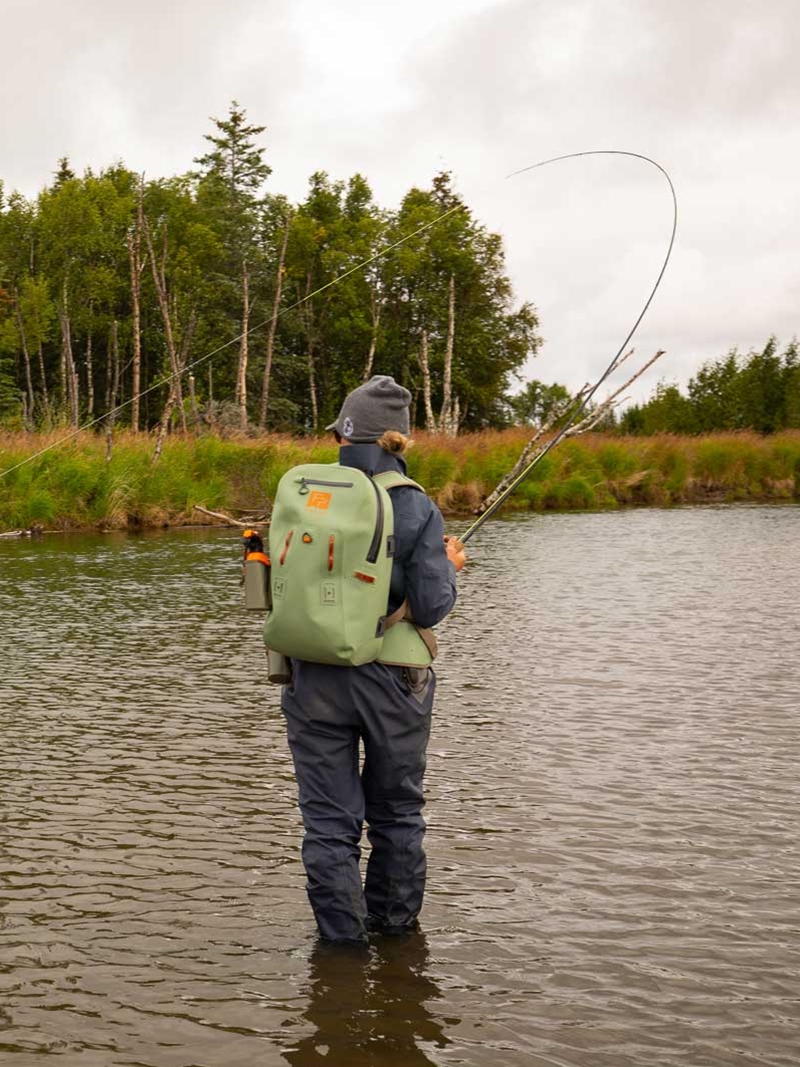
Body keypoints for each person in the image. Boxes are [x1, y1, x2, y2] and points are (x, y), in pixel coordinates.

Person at [281, 374, 466, 943]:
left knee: (329, 823)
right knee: (397, 814)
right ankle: (395, 941)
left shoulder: (305, 493)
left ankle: (341, 952)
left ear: (343, 433)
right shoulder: (414, 505)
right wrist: (449, 566)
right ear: (400, 442)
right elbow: (431, 608)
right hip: (393, 679)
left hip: (311, 673)